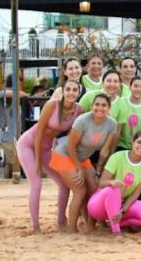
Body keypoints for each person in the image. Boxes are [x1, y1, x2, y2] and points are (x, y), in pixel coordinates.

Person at [17, 78, 82, 232]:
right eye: (68, 89)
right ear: (63, 92)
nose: (71, 93)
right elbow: (39, 131)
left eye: (75, 90)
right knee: (37, 183)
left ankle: (61, 221)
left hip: (47, 148)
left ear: (79, 93)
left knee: (64, 184)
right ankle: (36, 226)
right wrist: (38, 160)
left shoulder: (79, 110)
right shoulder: (52, 105)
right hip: (29, 145)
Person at [50, 93, 118, 232]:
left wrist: (98, 171)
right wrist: (79, 168)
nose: (100, 108)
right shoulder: (82, 120)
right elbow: (70, 146)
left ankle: (91, 226)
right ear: (92, 106)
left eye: (104, 105)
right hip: (64, 155)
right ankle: (71, 228)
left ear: (109, 108)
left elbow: (105, 151)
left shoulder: (112, 124)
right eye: (97, 104)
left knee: (95, 189)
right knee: (80, 191)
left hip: (82, 158)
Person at [87, 131, 141, 233]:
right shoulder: (118, 157)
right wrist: (112, 182)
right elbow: (101, 183)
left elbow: (134, 195)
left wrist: (122, 211)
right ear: (132, 143)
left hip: (120, 205)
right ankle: (116, 232)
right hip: (98, 206)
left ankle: (115, 224)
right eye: (139, 142)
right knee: (114, 190)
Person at [112, 75, 141, 151]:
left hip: (138, 147)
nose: (138, 89)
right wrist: (112, 152)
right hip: (120, 145)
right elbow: (117, 131)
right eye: (135, 86)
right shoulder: (121, 102)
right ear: (130, 87)